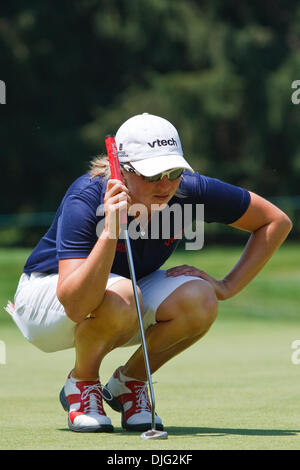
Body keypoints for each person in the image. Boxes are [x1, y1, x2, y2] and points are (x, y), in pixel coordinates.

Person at [6, 113, 292, 433]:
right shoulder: (87, 195)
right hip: (46, 304)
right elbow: (75, 304)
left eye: (173, 171)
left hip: (127, 296)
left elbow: (275, 222)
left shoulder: (188, 191)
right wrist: (110, 230)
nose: (166, 184)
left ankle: (130, 383)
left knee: (200, 297)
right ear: (124, 171)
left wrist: (226, 286)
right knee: (125, 295)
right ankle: (82, 384)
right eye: (153, 173)